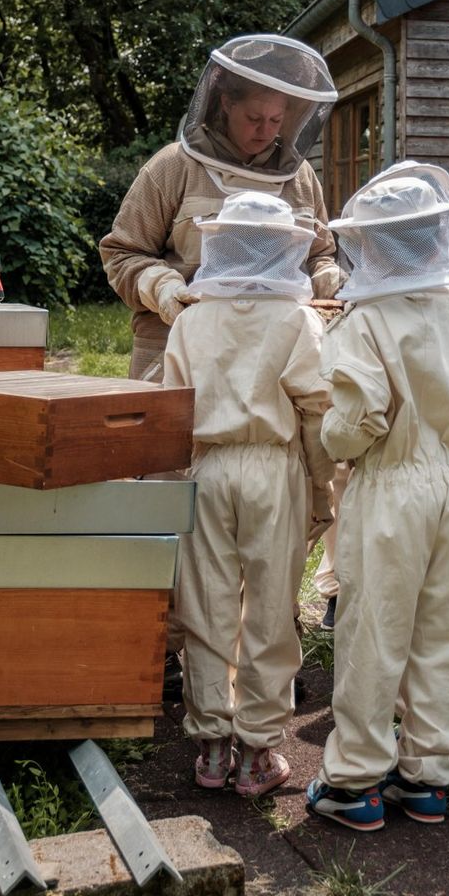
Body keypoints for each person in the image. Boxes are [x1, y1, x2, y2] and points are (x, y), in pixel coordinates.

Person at [305, 171, 449, 832]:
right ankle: (429, 775)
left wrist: (332, 438)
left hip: (390, 486)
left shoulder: (364, 322)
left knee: (375, 629)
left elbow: (353, 424)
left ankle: (355, 781)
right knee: (447, 629)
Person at [162, 191, 335, 796]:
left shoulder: (190, 319)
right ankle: (259, 752)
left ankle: (212, 746)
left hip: (207, 468)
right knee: (269, 608)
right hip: (274, 467)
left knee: (205, 604)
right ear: (280, 248)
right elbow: (317, 412)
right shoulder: (298, 319)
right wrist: (321, 490)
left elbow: (171, 412)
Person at [99, 34, 342, 383]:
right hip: (177, 349)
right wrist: (164, 289)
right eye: (254, 117)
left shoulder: (300, 177)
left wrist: (330, 280)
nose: (265, 131)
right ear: (226, 103)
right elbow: (122, 253)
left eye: (275, 120)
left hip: (275, 355)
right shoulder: (173, 167)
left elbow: (320, 254)